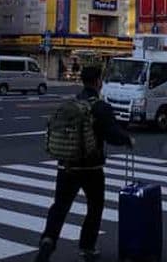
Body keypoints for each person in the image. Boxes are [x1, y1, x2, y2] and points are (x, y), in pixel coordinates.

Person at [36, 66, 133, 262]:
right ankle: (87, 247)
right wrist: (127, 140)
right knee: (95, 206)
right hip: (92, 168)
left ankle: (48, 239)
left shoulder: (73, 103)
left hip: (67, 165)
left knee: (60, 206)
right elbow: (112, 134)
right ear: (98, 81)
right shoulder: (100, 107)